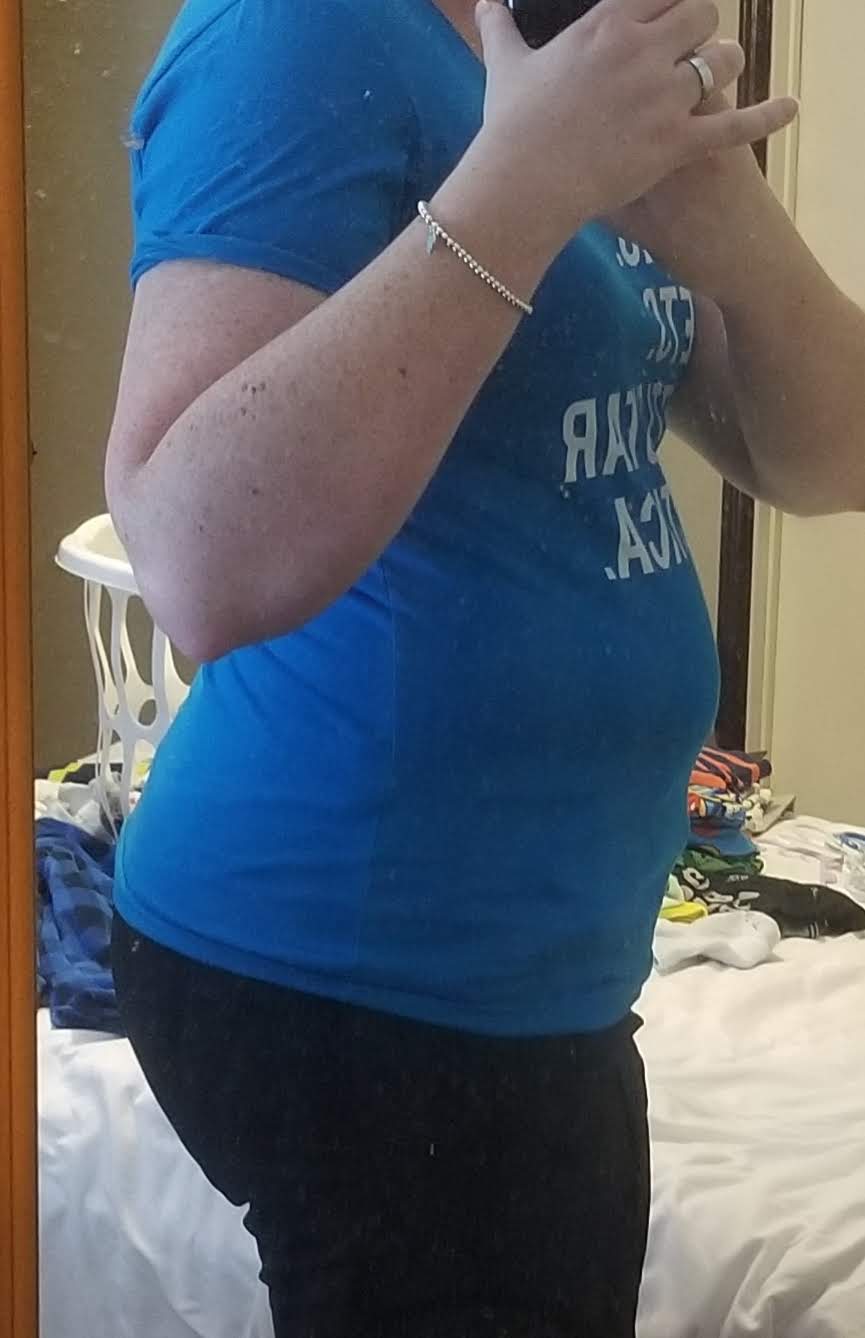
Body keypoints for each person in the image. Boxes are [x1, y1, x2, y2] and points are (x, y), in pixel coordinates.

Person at [106, 0, 865, 1334]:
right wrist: (527, 184)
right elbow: (193, 561)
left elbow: (829, 455)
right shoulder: (296, 34)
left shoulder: (566, 42)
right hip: (346, 970)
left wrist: (731, 227)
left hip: (549, 972)